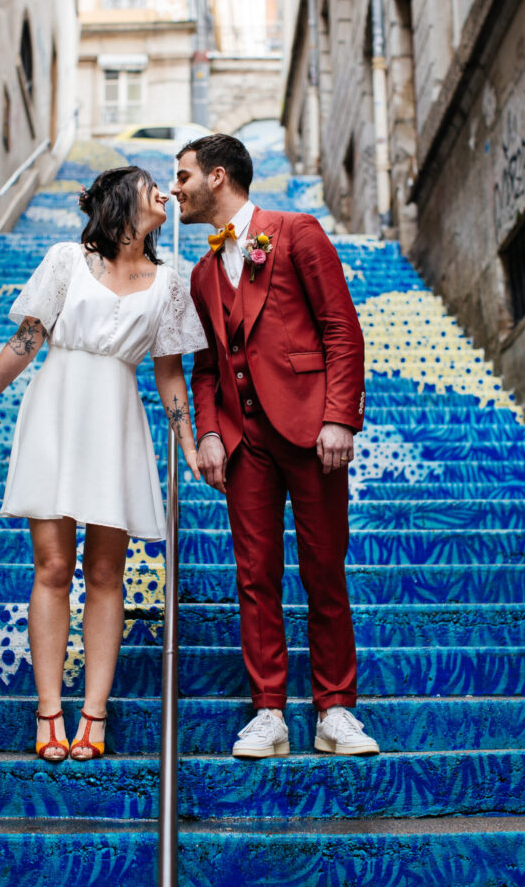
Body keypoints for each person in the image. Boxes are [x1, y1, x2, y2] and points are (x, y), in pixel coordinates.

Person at [0, 166, 206, 762]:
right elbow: (24, 344)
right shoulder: (67, 259)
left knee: (106, 573)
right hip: (56, 412)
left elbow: (170, 372)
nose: (164, 195)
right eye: (151, 189)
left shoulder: (170, 283)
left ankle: (94, 711)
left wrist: (188, 442)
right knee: (53, 564)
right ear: (122, 202)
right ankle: (49, 709)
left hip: (117, 419)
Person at [172, 134, 379, 759]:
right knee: (254, 577)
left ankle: (335, 711)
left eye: (182, 177)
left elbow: (341, 326)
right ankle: (269, 713)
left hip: (314, 433)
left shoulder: (295, 231)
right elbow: (206, 367)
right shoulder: (203, 272)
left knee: (324, 567)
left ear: (216, 176)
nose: (173, 189)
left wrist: (340, 417)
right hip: (245, 445)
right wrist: (208, 433)